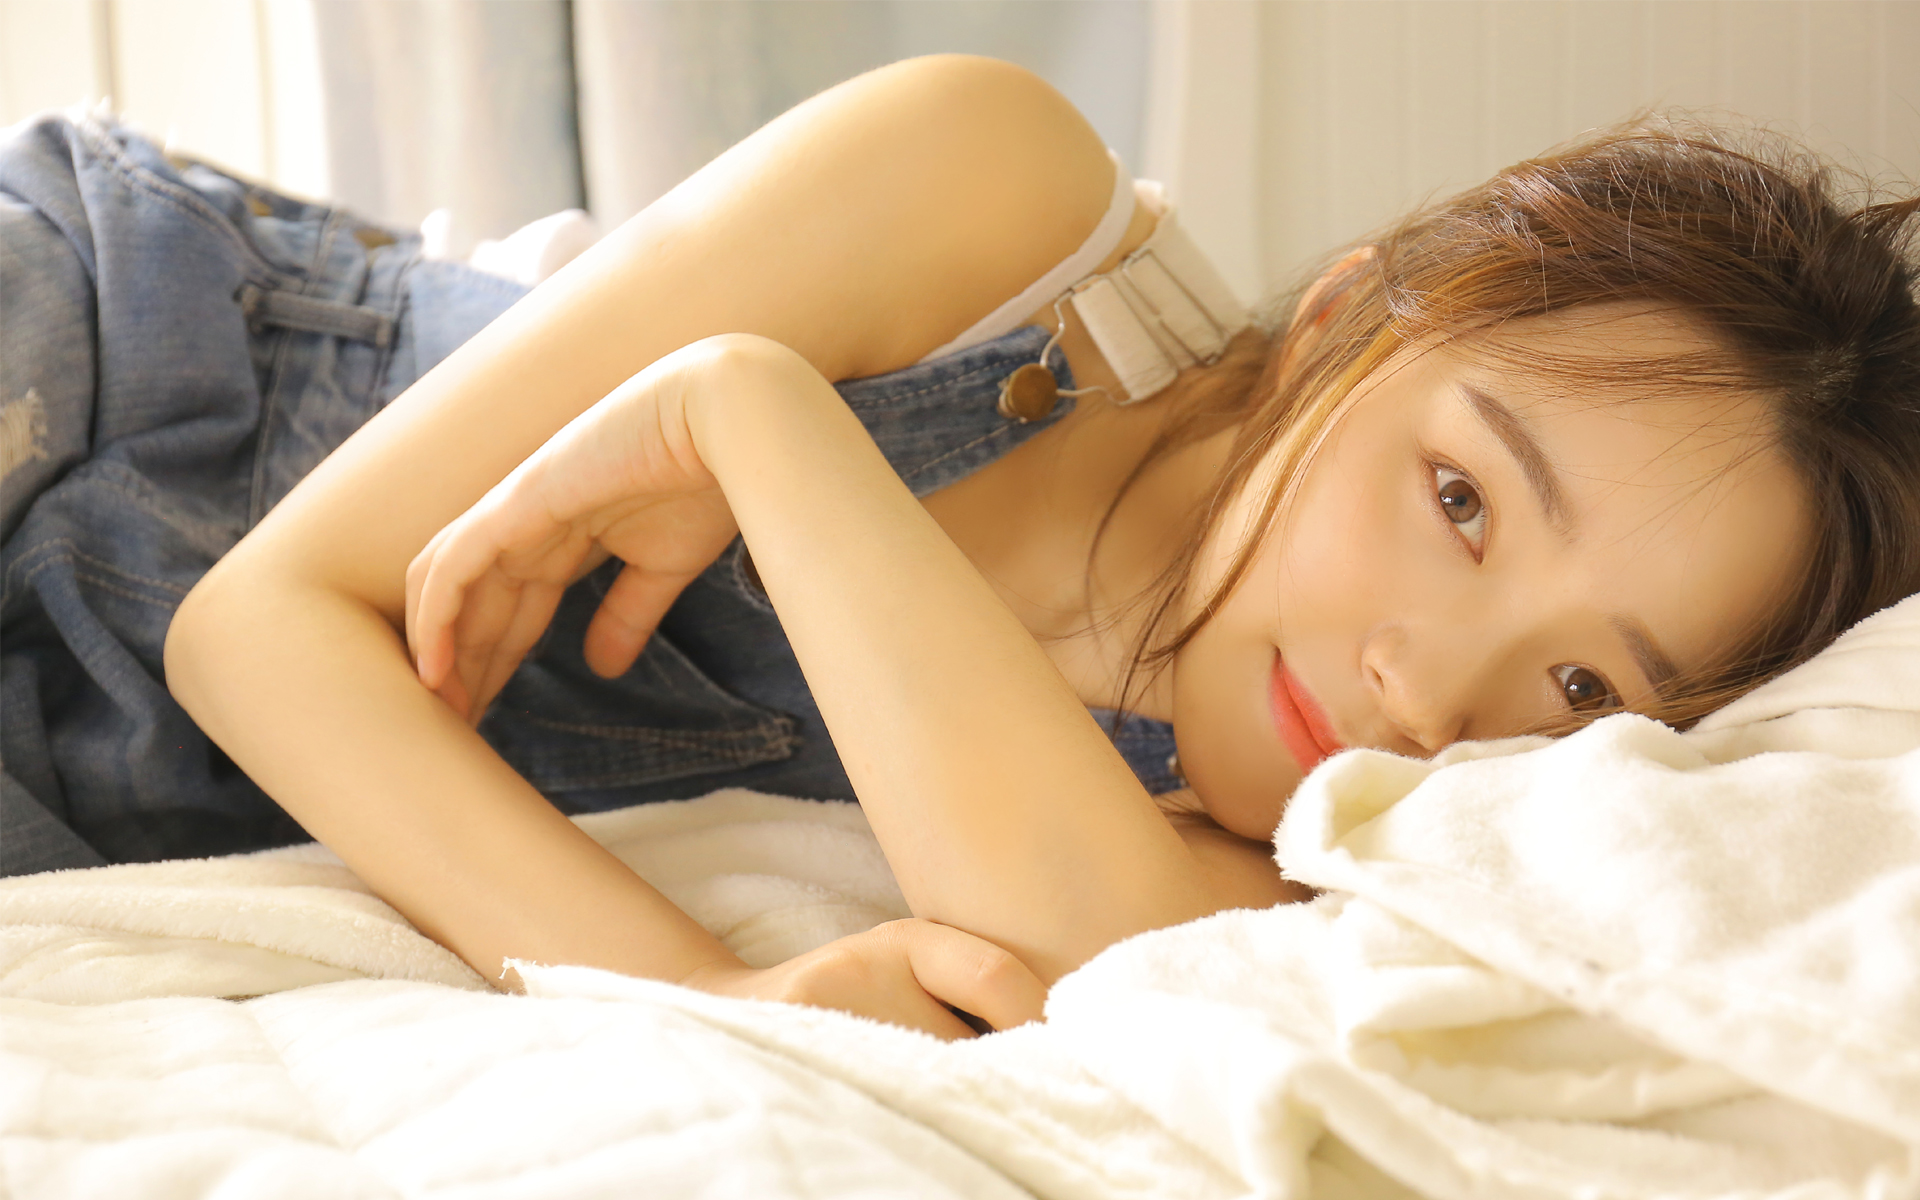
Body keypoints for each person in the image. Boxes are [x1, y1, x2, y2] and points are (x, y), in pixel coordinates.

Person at [6, 56, 1920, 1039]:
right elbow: (260, 625)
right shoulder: (1001, 207)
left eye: (1581, 682)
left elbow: (1097, 959)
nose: (1429, 686)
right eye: (1461, 498)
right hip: (120, 360)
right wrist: (704, 997)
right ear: (1342, 324)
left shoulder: (1285, 836)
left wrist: (752, 426)